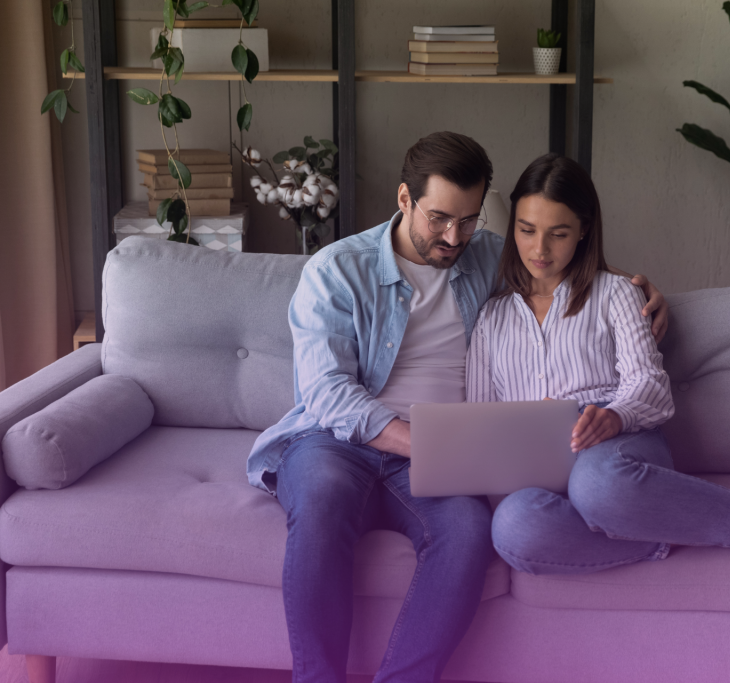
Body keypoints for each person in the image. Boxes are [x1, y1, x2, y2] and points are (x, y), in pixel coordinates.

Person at [245, 132, 670, 683]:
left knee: (469, 530)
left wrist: (649, 297)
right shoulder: (335, 270)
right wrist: (414, 439)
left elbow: (565, 262)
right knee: (322, 499)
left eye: (469, 220)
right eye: (440, 218)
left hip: (446, 453)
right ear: (404, 199)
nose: (453, 237)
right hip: (339, 442)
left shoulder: (487, 255)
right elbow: (327, 392)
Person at [468, 153, 730, 575]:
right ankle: (692, 523)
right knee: (514, 526)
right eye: (526, 230)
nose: (540, 249)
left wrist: (613, 417)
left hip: (615, 452)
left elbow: (650, 386)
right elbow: (479, 420)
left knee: (597, 485)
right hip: (538, 474)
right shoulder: (491, 319)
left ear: (584, 230)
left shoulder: (615, 294)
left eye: (559, 233)